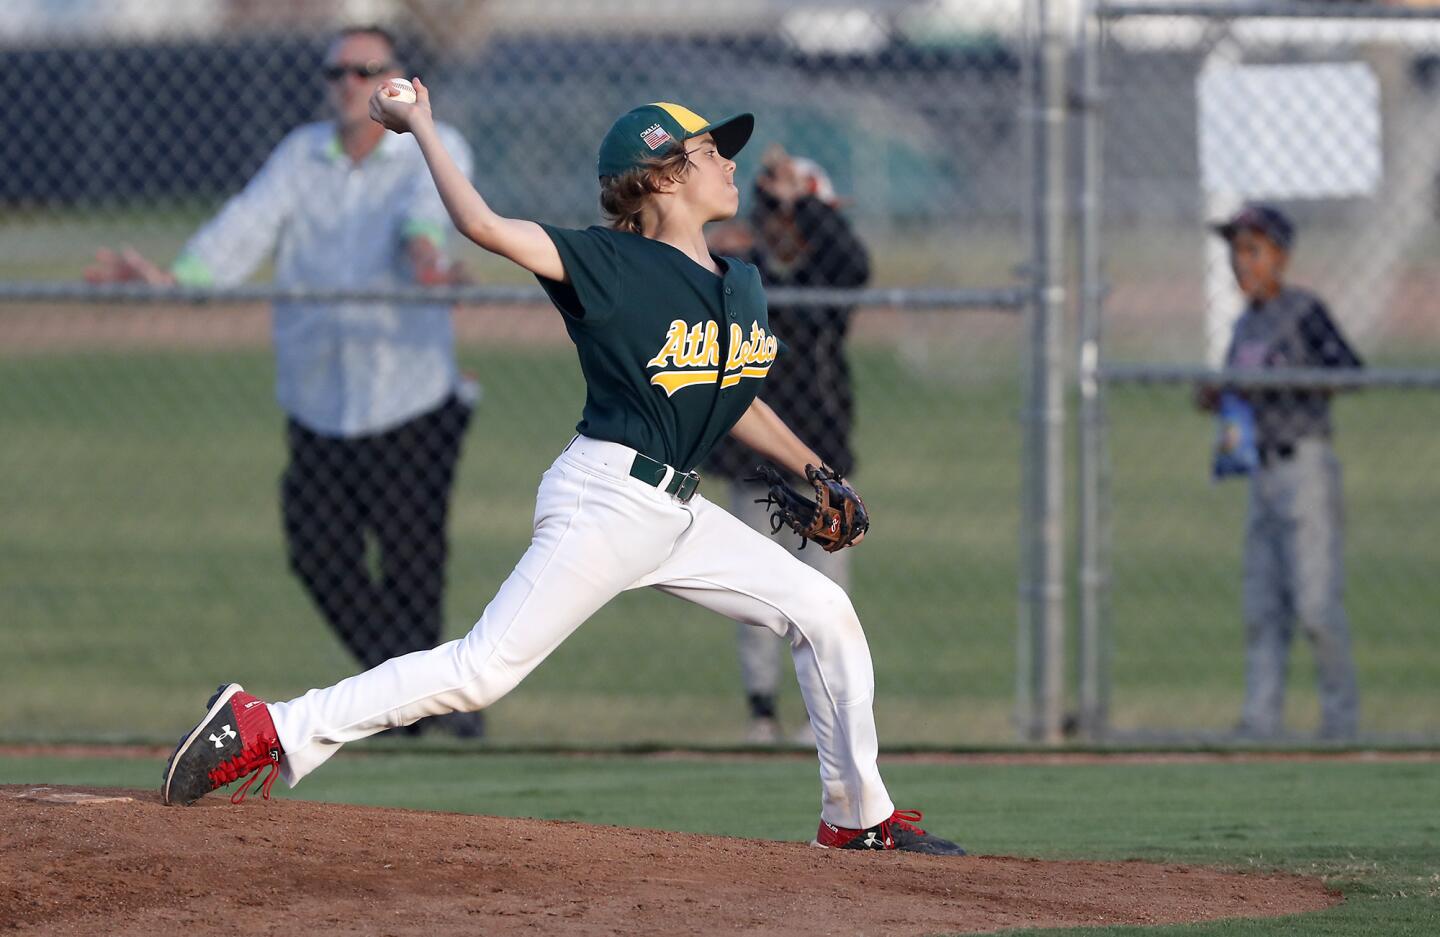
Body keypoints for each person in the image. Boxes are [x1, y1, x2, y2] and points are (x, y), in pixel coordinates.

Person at [158, 80, 967, 856]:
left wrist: (818, 466)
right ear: (661, 176)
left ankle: (857, 817)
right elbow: (482, 225)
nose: (729, 161)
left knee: (823, 611)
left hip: (679, 516)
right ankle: (264, 726)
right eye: (709, 149)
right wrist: (425, 131)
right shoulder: (603, 265)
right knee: (480, 671)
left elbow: (737, 393)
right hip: (606, 500)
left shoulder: (741, 283)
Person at [86, 27, 483, 738]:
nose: (351, 83)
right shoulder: (301, 154)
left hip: (410, 395)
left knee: (413, 567)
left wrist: (430, 258)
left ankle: (428, 714)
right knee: (317, 550)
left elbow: (425, 220)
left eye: (368, 69)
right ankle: (422, 702)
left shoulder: (433, 142)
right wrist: (174, 279)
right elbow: (242, 229)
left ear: (398, 78)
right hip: (319, 396)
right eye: (338, 71)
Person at [705, 147, 870, 745]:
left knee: (827, 595)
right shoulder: (747, 276)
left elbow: (850, 261)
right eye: (778, 215)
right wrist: (774, 205)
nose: (787, 228)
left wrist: (803, 201)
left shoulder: (827, 280)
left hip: (821, 460)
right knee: (752, 592)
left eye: (799, 217)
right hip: (753, 461)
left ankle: (821, 717)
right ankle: (762, 713)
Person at [1198, 203, 1362, 741]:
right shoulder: (1245, 322)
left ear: (1281, 257)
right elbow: (1237, 385)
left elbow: (1348, 370)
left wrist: (1286, 379)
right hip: (1260, 473)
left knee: (1315, 605)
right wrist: (1218, 396)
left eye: (1253, 250)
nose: (1241, 263)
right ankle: (1260, 722)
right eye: (1235, 252)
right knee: (1262, 606)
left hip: (1304, 465)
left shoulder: (1303, 310)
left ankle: (1341, 723)